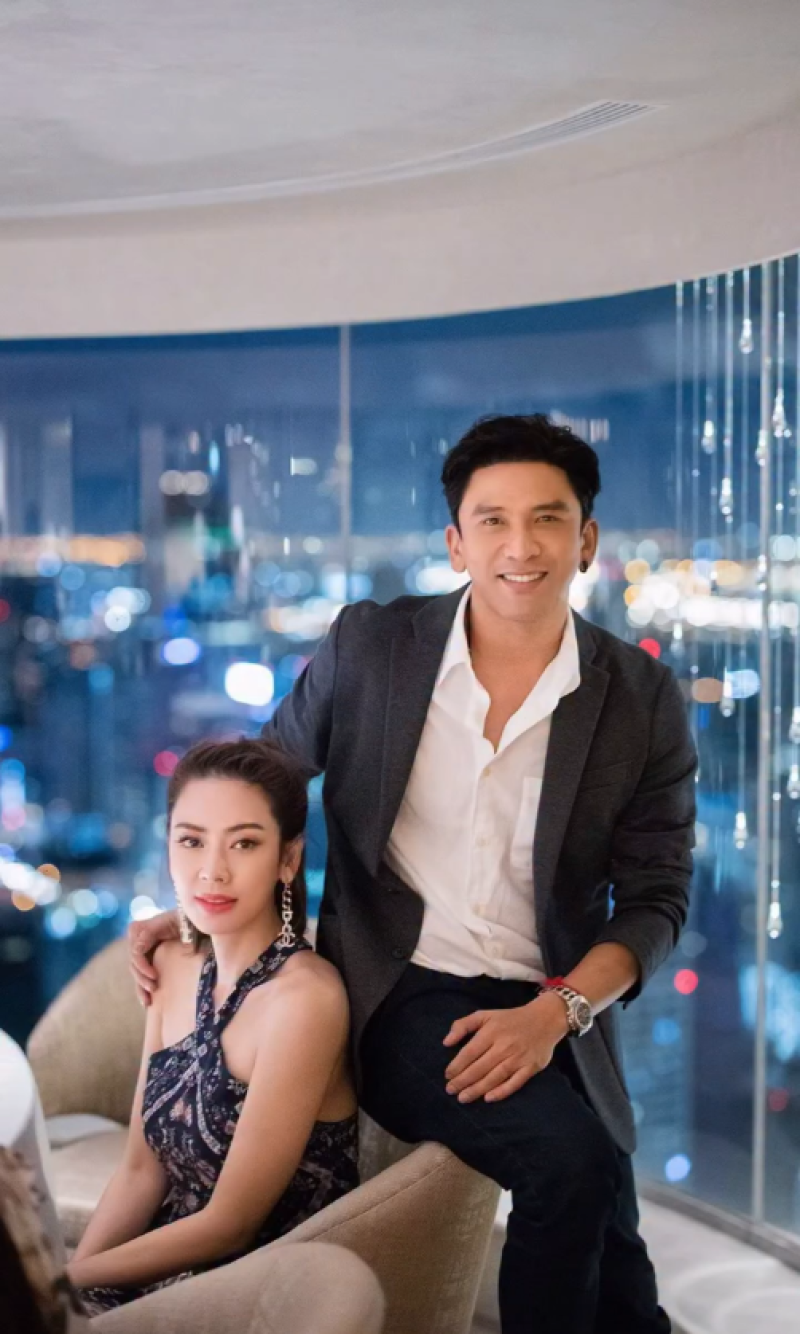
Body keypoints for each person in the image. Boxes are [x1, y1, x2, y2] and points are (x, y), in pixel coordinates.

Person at [131, 414, 696, 1334]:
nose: (521, 546)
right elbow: (264, 782)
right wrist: (193, 906)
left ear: (586, 540)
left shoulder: (639, 697)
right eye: (493, 520)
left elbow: (656, 896)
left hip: (556, 997)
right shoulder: (374, 648)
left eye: (548, 519)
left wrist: (556, 1012)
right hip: (403, 990)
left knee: (621, 1280)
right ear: (456, 543)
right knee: (570, 1169)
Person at [73, 738, 359, 1314]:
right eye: (191, 841)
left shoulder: (306, 999)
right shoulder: (170, 965)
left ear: (288, 859)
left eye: (244, 843)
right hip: (164, 1262)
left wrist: (58, 1281)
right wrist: (68, 1294)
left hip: (261, 1290)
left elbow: (231, 1225)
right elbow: (140, 1171)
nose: (212, 871)